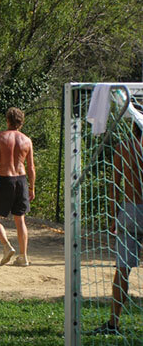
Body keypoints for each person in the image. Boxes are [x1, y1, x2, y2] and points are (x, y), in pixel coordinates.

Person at [93, 121, 143, 335]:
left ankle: (114, 322)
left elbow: (114, 186)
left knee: (122, 270)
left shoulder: (124, 147)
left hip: (131, 211)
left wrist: (114, 216)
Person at [0, 107, 35, 267]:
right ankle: (23, 256)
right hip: (21, 180)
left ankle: (7, 246)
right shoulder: (27, 140)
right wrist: (32, 188)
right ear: (21, 122)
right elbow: (31, 167)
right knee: (20, 219)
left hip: (5, 179)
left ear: (7, 120)